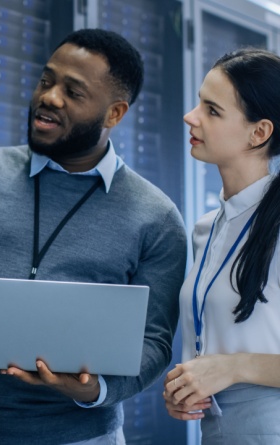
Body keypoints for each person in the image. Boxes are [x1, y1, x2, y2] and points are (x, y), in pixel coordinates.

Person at [0, 28, 187, 445]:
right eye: (46, 81)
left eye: (73, 91)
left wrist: (94, 389)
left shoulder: (156, 218)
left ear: (114, 114)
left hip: (83, 437)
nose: (49, 96)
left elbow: (154, 342)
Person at [163, 47, 280, 444]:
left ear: (259, 132)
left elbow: (233, 361)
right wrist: (189, 387)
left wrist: (234, 368)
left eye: (212, 110)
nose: (190, 117)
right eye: (199, 103)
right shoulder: (205, 228)